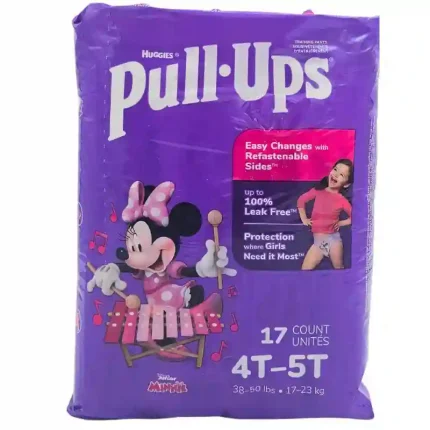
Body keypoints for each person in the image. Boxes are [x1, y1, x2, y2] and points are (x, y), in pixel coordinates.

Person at [297, 159, 353, 270]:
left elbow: (354, 216)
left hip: (334, 241)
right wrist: (304, 219)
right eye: (335, 169)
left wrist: (341, 223)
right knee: (305, 269)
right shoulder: (318, 191)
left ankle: (342, 282)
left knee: (339, 268)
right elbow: (301, 200)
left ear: (346, 184)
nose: (335, 175)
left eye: (341, 175)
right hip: (319, 242)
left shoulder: (342, 200)